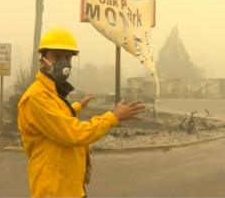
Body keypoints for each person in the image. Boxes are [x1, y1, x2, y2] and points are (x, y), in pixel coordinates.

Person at [17, 27, 145, 197]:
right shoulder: (37, 97)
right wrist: (113, 117)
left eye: (67, 57)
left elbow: (57, 119)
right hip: (53, 190)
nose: (64, 63)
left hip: (69, 187)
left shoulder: (52, 92)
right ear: (43, 60)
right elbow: (74, 133)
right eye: (57, 56)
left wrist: (76, 107)